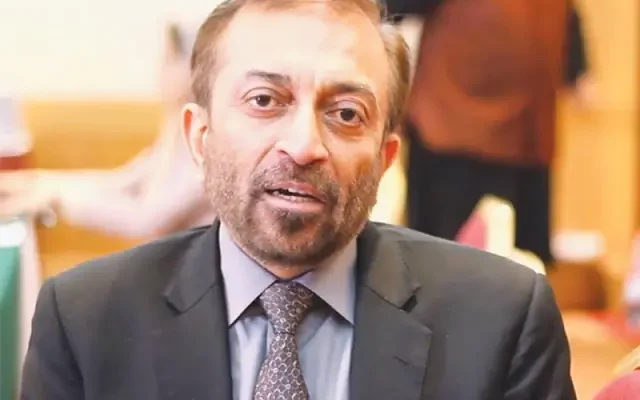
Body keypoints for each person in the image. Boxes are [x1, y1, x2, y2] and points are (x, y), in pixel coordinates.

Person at [20, 1, 576, 399]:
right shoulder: (86, 323)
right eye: (265, 100)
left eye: (346, 114)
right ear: (200, 137)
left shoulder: (502, 323)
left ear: (385, 158)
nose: (305, 145)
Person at [387, 0, 593, 265]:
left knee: (525, 265)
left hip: (527, 136)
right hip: (453, 132)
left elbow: (567, 12)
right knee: (444, 263)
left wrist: (578, 66)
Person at [0, 24, 214, 238]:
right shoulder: (175, 131)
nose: (160, 72)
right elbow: (120, 182)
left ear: (193, 71)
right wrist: (36, 182)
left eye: (169, 61)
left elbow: (144, 221)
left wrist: (57, 199)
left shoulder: (205, 146)